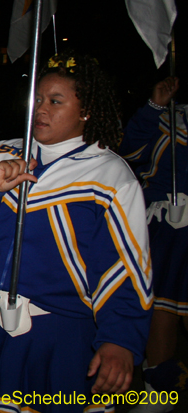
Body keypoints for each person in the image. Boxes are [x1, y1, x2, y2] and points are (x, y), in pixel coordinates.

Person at [0, 53, 152, 411]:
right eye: (38, 99)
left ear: (86, 111)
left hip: (61, 334)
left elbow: (125, 268)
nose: (41, 109)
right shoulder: (2, 153)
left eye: (55, 101)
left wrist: (120, 339)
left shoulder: (109, 177)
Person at [119, 76, 188, 413]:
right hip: (166, 228)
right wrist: (155, 106)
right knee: (161, 309)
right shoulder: (168, 118)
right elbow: (130, 150)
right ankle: (159, 394)